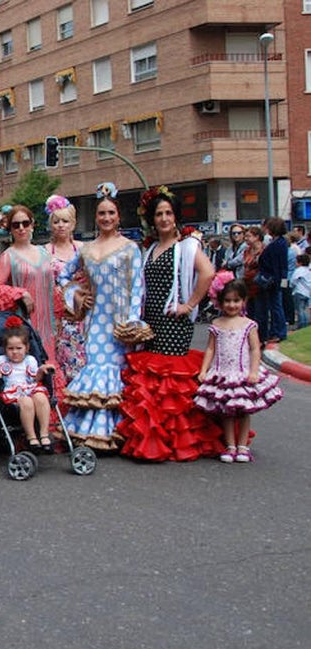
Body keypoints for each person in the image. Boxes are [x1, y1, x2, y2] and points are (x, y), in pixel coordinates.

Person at [116, 186, 221, 462]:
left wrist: (189, 305)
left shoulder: (187, 246)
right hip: (151, 320)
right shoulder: (150, 248)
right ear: (152, 219)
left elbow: (208, 273)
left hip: (175, 321)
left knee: (170, 381)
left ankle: (179, 440)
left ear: (175, 217)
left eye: (168, 213)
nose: (164, 218)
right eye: (159, 214)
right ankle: (154, 438)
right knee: (153, 379)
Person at [56, 183, 146, 452]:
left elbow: (137, 287)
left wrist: (131, 321)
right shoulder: (85, 250)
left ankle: (118, 434)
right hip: (94, 324)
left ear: (118, 217)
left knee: (117, 375)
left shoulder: (130, 248)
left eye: (111, 213)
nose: (106, 218)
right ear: (96, 217)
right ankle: (89, 434)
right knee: (96, 372)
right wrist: (78, 296)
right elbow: (62, 276)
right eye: (101, 213)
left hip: (119, 323)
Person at [196, 275, 283, 462]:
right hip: (223, 373)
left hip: (242, 372)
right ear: (219, 302)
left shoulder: (249, 325)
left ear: (244, 301)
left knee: (243, 411)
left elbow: (254, 349)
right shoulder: (216, 325)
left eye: (236, 300)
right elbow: (211, 348)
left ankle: (242, 446)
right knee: (226, 411)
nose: (232, 305)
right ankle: (230, 445)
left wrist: (253, 371)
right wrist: (204, 370)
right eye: (227, 301)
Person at [0, 205, 65, 409]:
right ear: (10, 229)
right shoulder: (8, 256)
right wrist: (20, 293)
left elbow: (54, 287)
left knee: (50, 372)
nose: (21, 228)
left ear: (33, 225)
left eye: (26, 223)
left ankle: (53, 427)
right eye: (16, 225)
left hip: (49, 325)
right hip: (27, 327)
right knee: (32, 373)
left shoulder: (44, 252)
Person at [0, 316, 57, 452]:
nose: (15, 352)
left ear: (26, 348)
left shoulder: (30, 360)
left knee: (42, 398)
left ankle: (44, 434)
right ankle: (31, 437)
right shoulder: (2, 360)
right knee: (26, 402)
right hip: (13, 391)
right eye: (11, 348)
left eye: (19, 348)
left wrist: (41, 371)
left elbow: (35, 379)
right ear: (5, 349)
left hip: (30, 387)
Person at [44, 195, 87, 386]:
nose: (61, 225)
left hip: (83, 315)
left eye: (65, 221)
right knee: (62, 361)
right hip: (58, 318)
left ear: (73, 223)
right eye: (56, 221)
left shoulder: (84, 248)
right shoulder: (44, 251)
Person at [257, 217, 289, 343]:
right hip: (275, 279)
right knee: (275, 306)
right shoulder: (279, 243)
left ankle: (279, 331)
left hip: (272, 280)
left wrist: (279, 281)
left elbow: (278, 265)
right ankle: (277, 331)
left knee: (276, 306)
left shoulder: (277, 244)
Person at [292, 253, 311, 330]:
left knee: (300, 309)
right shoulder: (308, 271)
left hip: (299, 291)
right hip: (307, 292)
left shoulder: (298, 270)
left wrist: (290, 286)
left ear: (300, 263)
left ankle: (301, 324)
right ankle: (306, 323)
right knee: (304, 309)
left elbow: (293, 280)